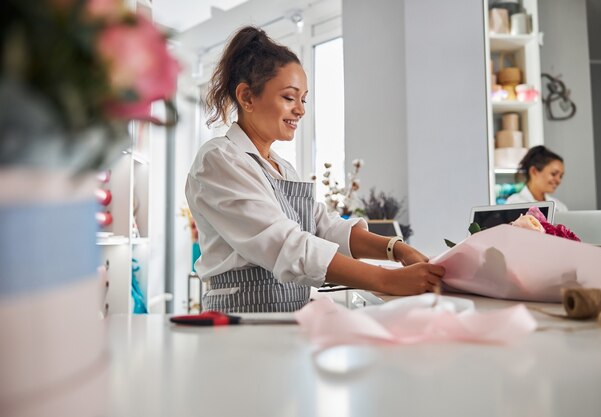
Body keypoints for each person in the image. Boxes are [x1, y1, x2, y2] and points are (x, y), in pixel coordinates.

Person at [185, 26, 445, 313]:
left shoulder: (280, 166)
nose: (300, 110)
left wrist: (396, 249)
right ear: (247, 97)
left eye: (303, 99)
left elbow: (322, 226)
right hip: (240, 324)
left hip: (288, 320)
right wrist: (387, 280)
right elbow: (287, 245)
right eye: (289, 97)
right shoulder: (219, 160)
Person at [506, 145, 568, 212]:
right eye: (553, 174)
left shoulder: (560, 207)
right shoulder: (514, 204)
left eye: (561, 176)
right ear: (534, 171)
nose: (558, 180)